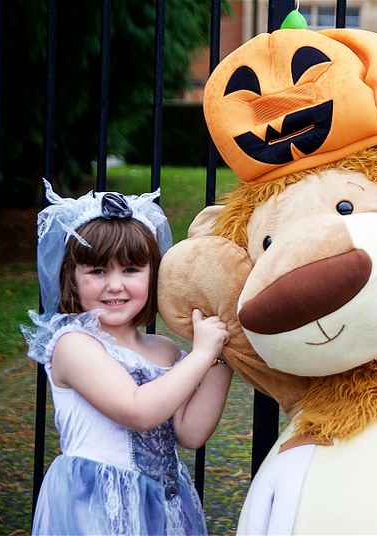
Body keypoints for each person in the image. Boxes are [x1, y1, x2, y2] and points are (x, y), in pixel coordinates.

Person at [22, 180, 232, 535]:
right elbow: (139, 411)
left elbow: (191, 433)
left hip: (164, 506)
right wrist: (201, 354)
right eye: (97, 271)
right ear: (72, 279)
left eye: (131, 269)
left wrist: (223, 355)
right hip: (98, 504)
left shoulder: (164, 350)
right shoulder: (74, 345)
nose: (114, 285)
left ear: (154, 275)